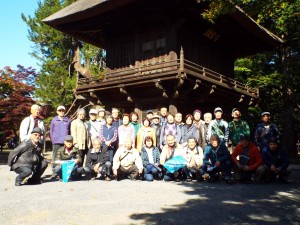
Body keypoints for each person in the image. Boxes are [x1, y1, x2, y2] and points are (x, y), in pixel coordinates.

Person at [49, 105, 71, 178]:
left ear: (64, 111)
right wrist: (53, 139)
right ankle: (54, 172)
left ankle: (64, 172)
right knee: (55, 157)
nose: (61, 112)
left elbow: (70, 131)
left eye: (63, 111)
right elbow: (51, 131)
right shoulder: (54, 120)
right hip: (56, 142)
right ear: (57, 112)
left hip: (65, 142)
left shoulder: (67, 120)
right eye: (60, 111)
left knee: (65, 157)